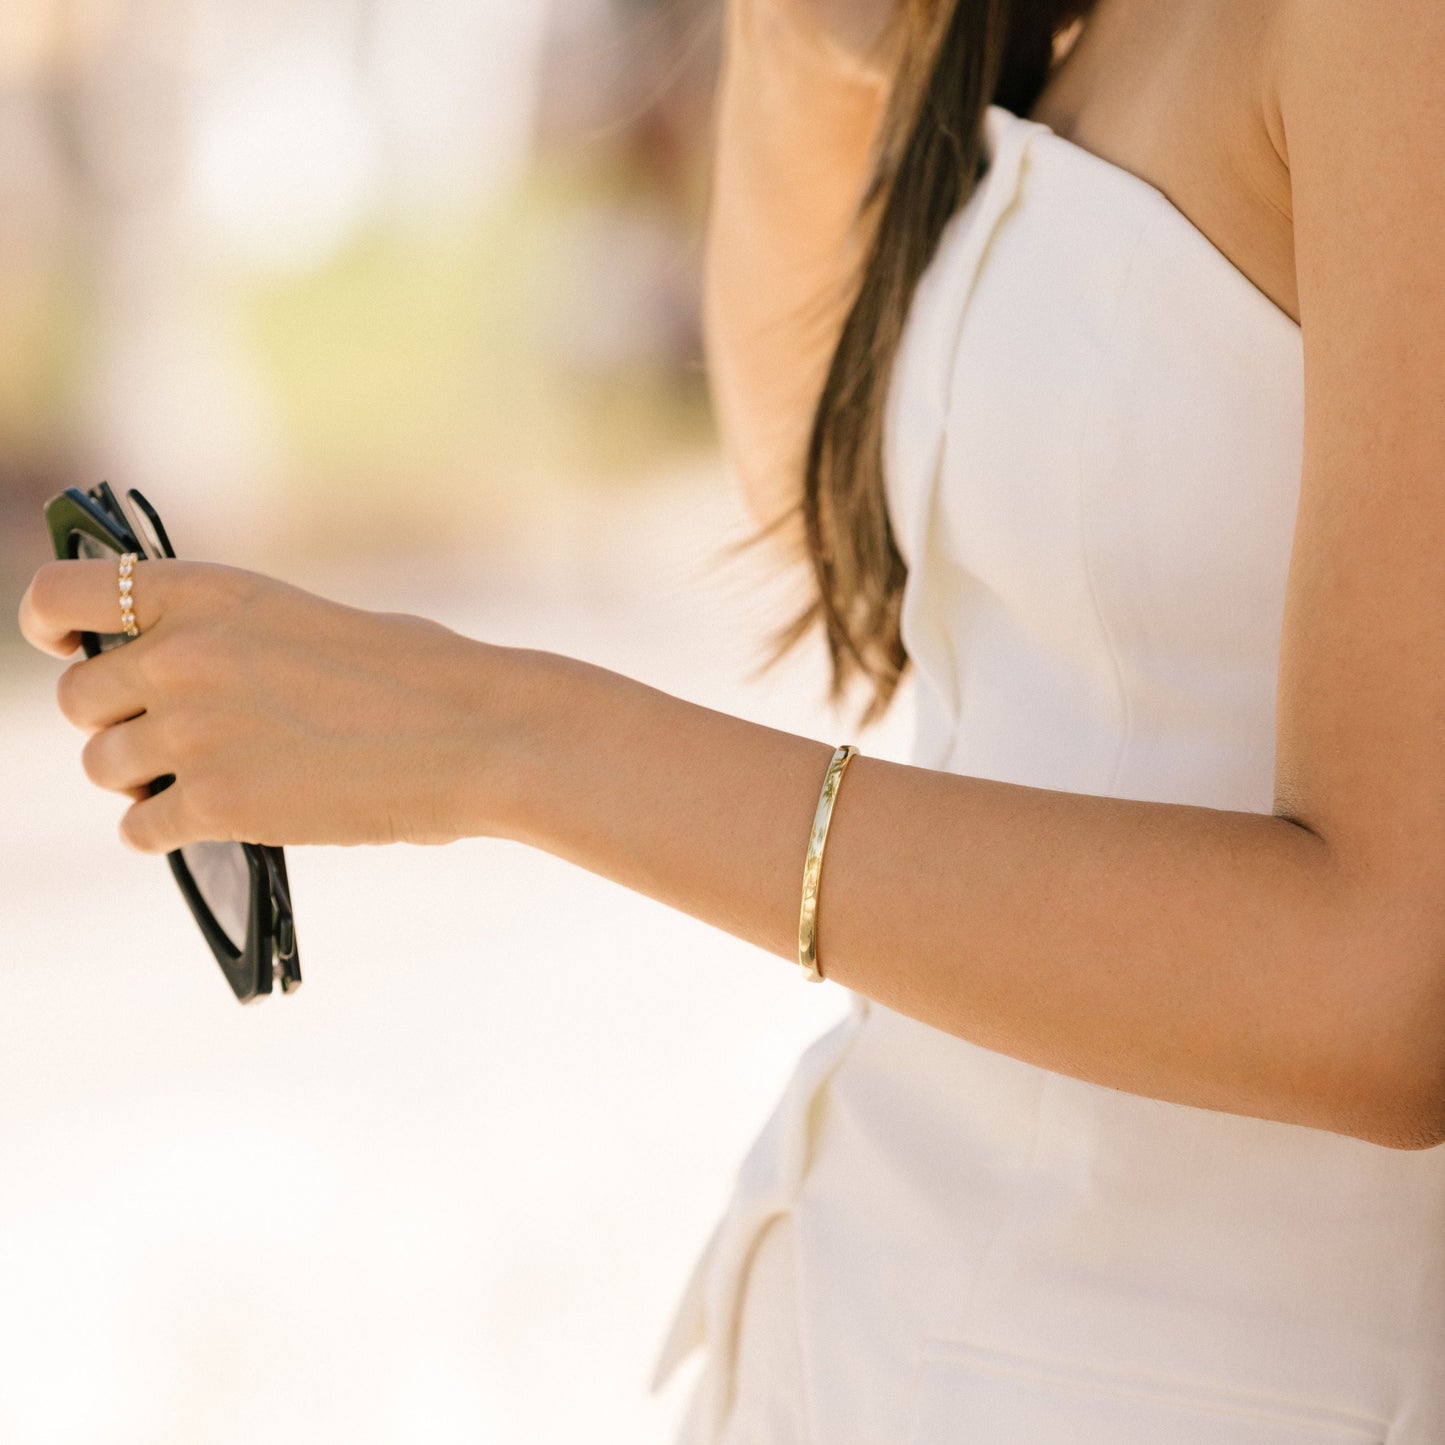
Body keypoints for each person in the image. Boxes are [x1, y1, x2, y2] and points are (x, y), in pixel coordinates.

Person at [18, 0, 1445, 1440]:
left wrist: (499, 736)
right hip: (860, 1324)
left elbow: (1390, 988)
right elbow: (862, 553)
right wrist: (793, 40)